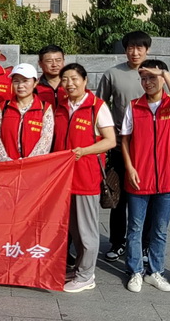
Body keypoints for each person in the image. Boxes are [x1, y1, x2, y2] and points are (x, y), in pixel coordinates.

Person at [121, 60, 170, 293]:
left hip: (168, 180)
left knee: (160, 230)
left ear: (162, 78)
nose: (147, 82)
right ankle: (135, 271)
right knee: (135, 228)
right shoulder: (134, 106)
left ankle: (155, 271)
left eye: (152, 77)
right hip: (139, 178)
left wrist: (165, 74)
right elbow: (125, 139)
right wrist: (130, 167)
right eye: (143, 78)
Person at [54, 63, 116, 293]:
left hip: (86, 177)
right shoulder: (61, 106)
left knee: (87, 231)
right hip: (64, 179)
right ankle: (79, 268)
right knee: (73, 229)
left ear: (85, 80)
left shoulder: (96, 107)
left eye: (74, 79)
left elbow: (110, 141)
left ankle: (86, 276)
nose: (69, 84)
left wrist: (84, 151)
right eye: (65, 80)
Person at [96, 31, 151, 262]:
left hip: (148, 150)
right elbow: (99, 106)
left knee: (147, 199)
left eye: (140, 48)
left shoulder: (154, 73)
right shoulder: (113, 74)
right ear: (125, 49)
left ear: (147, 50)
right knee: (119, 199)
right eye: (130, 48)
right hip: (120, 147)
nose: (135, 52)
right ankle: (118, 242)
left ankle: (144, 245)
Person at [0, 63, 54, 162]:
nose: (20, 86)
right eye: (16, 81)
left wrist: (29, 162)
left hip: (34, 165)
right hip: (7, 165)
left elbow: (46, 138)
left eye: (25, 81)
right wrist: (5, 160)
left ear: (35, 83)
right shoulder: (3, 107)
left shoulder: (44, 108)